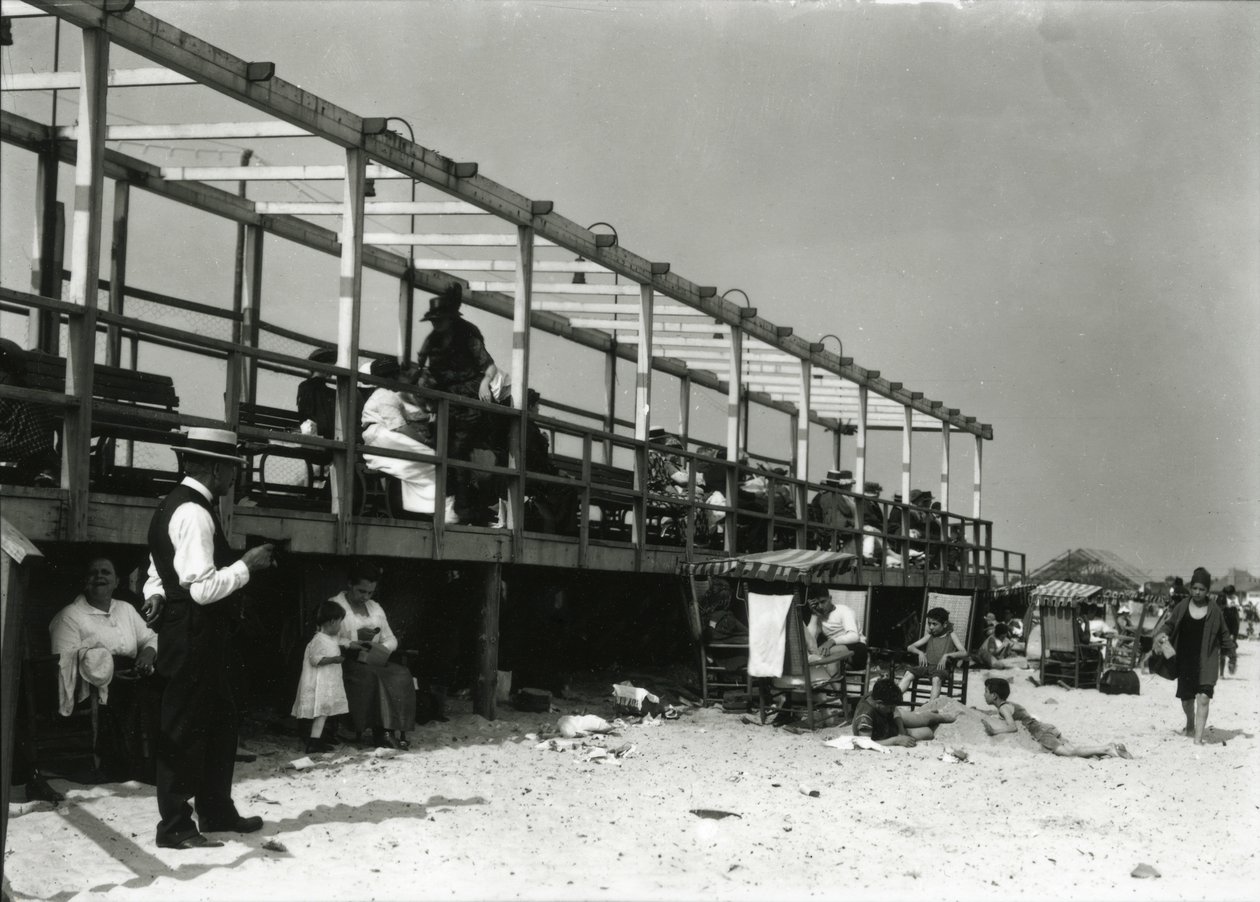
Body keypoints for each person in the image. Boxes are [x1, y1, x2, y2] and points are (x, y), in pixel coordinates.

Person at [141, 426, 275, 850]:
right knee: (184, 725)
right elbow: (201, 588)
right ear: (216, 468)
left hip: (194, 628)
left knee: (220, 719)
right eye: (232, 469)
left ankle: (216, 810)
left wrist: (156, 593)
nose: (234, 478)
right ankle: (176, 827)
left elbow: (157, 567)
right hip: (195, 628)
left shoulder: (171, 505)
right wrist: (247, 566)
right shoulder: (196, 512)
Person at [49, 555, 162, 782]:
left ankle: (154, 765)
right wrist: (107, 672)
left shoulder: (126, 610)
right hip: (92, 683)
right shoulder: (69, 616)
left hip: (133, 672)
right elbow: (64, 661)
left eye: (105, 572)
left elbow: (150, 637)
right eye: (93, 573)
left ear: (117, 581)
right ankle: (127, 767)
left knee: (160, 689)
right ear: (85, 581)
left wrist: (148, 653)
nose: (99, 576)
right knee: (130, 698)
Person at [414, 284, 499, 524]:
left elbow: (489, 366)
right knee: (442, 450)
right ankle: (451, 504)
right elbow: (423, 371)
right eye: (433, 320)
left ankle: (461, 508)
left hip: (468, 401)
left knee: (458, 451)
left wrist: (485, 383)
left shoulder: (468, 335)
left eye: (440, 320)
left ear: (451, 318)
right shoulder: (432, 340)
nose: (436, 324)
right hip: (445, 403)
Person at [330, 560, 416, 750]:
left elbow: (391, 638)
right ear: (350, 584)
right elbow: (326, 639)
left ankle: (390, 729)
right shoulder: (335, 606)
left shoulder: (375, 608)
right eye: (361, 591)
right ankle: (380, 731)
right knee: (372, 677)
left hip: (375, 658)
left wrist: (383, 648)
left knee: (401, 674)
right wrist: (353, 641)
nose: (365, 597)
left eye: (370, 592)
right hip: (346, 661)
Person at [360, 359, 452, 521]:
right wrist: (423, 440)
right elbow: (399, 427)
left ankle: (430, 506)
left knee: (428, 459)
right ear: (393, 377)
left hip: (381, 436)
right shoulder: (385, 395)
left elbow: (406, 417)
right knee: (431, 457)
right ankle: (436, 507)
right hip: (381, 437)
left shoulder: (386, 395)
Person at [1153, 567, 1234, 745]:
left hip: (1207, 660)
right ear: (1191, 588)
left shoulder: (1215, 611)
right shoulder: (1182, 606)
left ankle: (1197, 740)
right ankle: (1190, 722)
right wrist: (1163, 633)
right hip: (1185, 660)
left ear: (1208, 591)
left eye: (1202, 589)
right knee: (1187, 701)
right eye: (1195, 588)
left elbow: (1225, 635)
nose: (1197, 592)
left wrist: (1232, 656)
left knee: (1204, 698)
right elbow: (1170, 624)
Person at [980, 678, 1132, 759]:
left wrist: (994, 731)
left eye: (986, 691)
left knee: (1068, 753)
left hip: (1039, 733)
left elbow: (1012, 727)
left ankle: (1107, 748)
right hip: (1044, 727)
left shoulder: (1003, 708)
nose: (984, 694)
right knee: (1073, 749)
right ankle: (1108, 748)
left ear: (994, 695)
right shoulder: (1008, 705)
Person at [291, 600, 349, 754]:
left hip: (328, 682)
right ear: (332, 622)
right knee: (321, 713)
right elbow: (315, 659)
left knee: (325, 712)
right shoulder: (318, 639)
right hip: (319, 684)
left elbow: (339, 643)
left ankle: (318, 739)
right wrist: (334, 660)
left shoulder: (330, 638)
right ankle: (314, 742)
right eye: (339, 623)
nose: (340, 627)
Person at [0, 337, 58, 486]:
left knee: (28, 407)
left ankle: (44, 469)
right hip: (25, 440)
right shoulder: (16, 384)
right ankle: (45, 469)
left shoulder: (11, 383)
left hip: (17, 436)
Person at [850, 677, 956, 747]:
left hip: (887, 721)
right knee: (928, 732)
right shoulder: (865, 716)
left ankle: (943, 717)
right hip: (883, 734)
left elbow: (894, 710)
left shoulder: (878, 695)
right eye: (890, 707)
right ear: (879, 703)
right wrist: (896, 740)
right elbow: (864, 743)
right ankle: (927, 715)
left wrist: (900, 729)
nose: (893, 709)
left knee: (923, 719)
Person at [898, 606, 968, 701]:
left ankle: (931, 707)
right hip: (926, 666)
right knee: (909, 673)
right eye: (929, 624)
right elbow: (910, 647)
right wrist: (920, 653)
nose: (931, 627)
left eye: (934, 624)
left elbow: (964, 652)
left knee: (936, 679)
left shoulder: (951, 635)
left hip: (940, 669)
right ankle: (893, 698)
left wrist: (947, 655)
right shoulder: (930, 636)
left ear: (945, 624)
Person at [802, 583, 867, 680]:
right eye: (816, 604)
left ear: (830, 598)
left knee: (823, 655)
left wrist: (831, 642)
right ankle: (833, 688)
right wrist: (814, 614)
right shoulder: (819, 615)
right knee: (815, 654)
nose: (820, 606)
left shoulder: (844, 611)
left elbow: (854, 636)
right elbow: (810, 640)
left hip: (857, 649)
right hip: (836, 651)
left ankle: (830, 687)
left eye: (823, 602)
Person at [808, 469, 857, 553]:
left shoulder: (821, 496)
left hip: (824, 527)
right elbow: (846, 510)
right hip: (839, 527)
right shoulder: (837, 495)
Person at [1217, 585, 1241, 676]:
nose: (1231, 596)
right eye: (1229, 595)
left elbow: (1236, 620)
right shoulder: (1222, 598)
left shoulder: (1235, 600)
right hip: (1225, 625)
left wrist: (1233, 634)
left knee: (1231, 648)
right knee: (1223, 651)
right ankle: (1222, 673)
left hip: (1232, 624)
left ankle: (1231, 664)